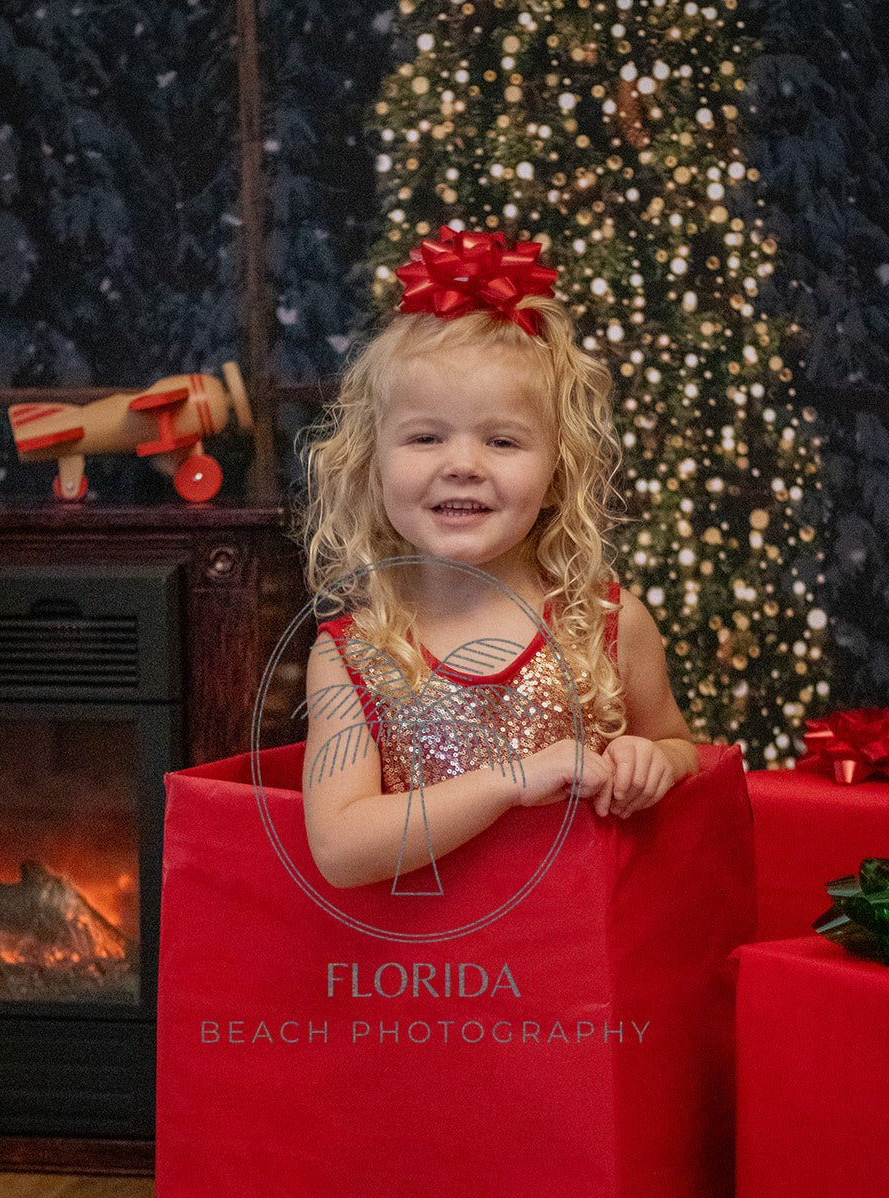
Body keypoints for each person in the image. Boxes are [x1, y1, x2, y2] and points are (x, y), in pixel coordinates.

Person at [297, 227, 698, 890]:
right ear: (370, 467)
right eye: (425, 437)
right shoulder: (352, 655)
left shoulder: (605, 623)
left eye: (503, 442)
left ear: (556, 476)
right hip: (427, 972)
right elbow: (341, 850)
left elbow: (679, 745)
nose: (462, 466)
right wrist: (509, 783)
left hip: (577, 968)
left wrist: (651, 761)